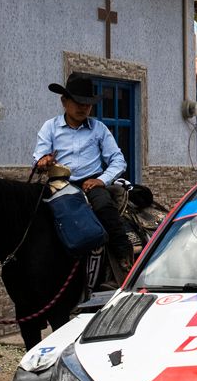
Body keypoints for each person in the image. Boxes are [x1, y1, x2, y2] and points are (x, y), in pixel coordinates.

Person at [33, 74, 134, 281]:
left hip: (91, 183)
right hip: (58, 184)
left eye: (87, 104)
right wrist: (43, 162)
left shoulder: (99, 129)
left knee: (105, 207)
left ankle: (124, 254)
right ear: (64, 101)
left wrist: (102, 180)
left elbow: (118, 160)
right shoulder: (49, 128)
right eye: (78, 103)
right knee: (35, 213)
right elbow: (39, 158)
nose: (83, 108)